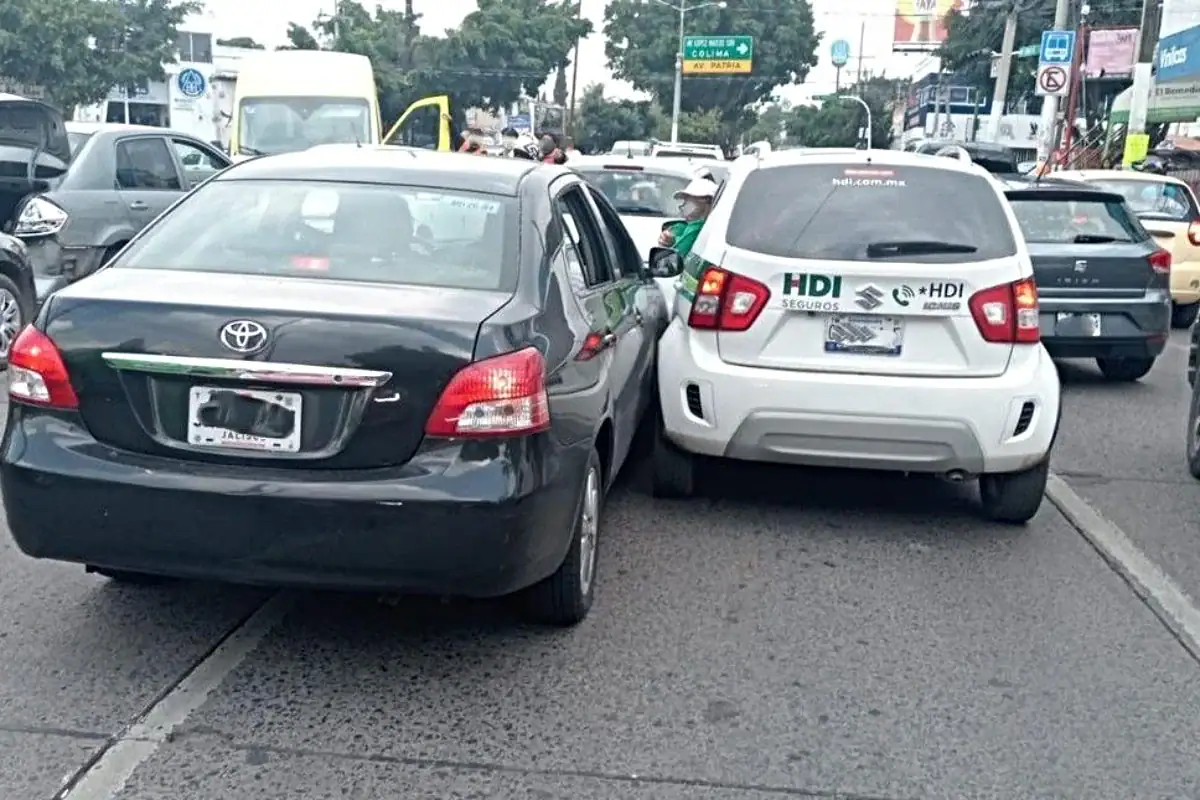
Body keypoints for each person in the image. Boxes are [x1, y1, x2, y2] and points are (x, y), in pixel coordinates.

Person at [657, 177, 719, 258]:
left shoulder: (698, 227)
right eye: (685, 200)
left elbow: (676, 255)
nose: (683, 205)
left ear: (706, 202)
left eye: (689, 200)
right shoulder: (684, 227)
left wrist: (671, 241)